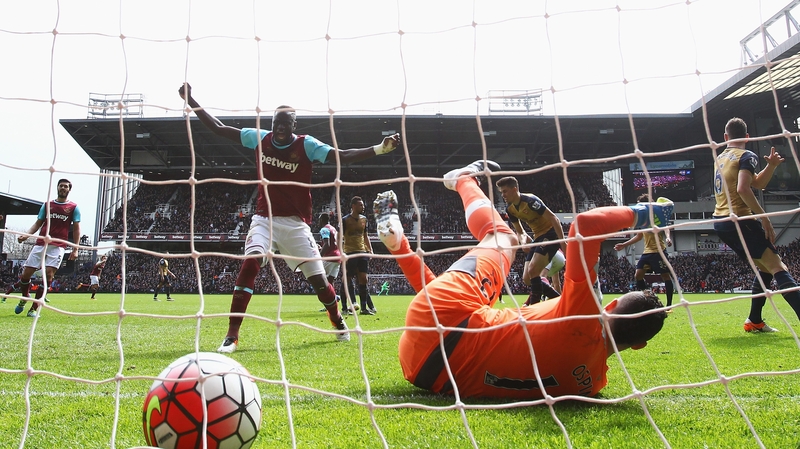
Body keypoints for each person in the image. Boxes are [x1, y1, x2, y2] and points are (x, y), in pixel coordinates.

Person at [372, 160, 668, 399]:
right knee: (467, 307)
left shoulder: (586, 315)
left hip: (443, 312)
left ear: (612, 304)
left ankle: (462, 179)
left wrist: (645, 214)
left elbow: (586, 224)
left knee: (504, 238)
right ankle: (401, 248)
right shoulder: (592, 386)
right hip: (424, 370)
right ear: (639, 345)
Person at [178, 83, 400, 352]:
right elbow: (219, 129)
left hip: (296, 226)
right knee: (250, 264)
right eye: (276, 123)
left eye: (285, 123)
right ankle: (232, 335)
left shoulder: (306, 145)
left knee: (319, 283)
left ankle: (336, 318)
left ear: (294, 124)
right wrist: (191, 100)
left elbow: (343, 157)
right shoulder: (260, 138)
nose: (280, 127)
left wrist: (379, 149)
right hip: (264, 220)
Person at [712, 117, 800, 332]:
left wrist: (770, 166)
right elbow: (743, 189)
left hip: (720, 222)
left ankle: (754, 320)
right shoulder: (746, 155)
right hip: (741, 221)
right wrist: (764, 217)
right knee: (778, 267)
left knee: (765, 269)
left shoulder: (721, 157)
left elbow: (757, 183)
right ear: (748, 137)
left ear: (725, 137)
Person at [13, 179, 81, 317]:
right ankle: (25, 297)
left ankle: (33, 308)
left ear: (69, 190)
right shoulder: (47, 205)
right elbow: (38, 223)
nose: (63, 188)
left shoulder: (73, 207)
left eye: (66, 186)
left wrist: (75, 249)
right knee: (26, 275)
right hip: (41, 243)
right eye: (61, 185)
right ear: (57, 188)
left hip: (58, 246)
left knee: (48, 276)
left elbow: (76, 229)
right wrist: (26, 235)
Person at [495, 176, 566, 306]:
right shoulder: (510, 209)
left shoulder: (531, 201)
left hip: (551, 233)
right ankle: (560, 301)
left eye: (505, 191)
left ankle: (533, 306)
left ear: (514, 189)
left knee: (533, 270)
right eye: (501, 192)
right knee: (527, 279)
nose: (503, 195)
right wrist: (523, 241)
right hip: (537, 237)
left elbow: (554, 219)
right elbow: (520, 232)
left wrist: (563, 243)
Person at [614, 194, 675, 309]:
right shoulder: (643, 221)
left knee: (665, 276)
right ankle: (649, 300)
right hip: (647, 252)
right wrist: (624, 244)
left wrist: (668, 237)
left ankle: (669, 305)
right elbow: (638, 236)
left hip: (659, 251)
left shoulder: (656, 216)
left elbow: (666, 227)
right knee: (638, 275)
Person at [342, 196, 376, 315]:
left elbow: (365, 236)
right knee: (347, 279)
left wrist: (370, 250)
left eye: (363, 204)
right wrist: (340, 251)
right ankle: (345, 306)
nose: (363, 207)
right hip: (350, 252)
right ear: (353, 206)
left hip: (362, 252)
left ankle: (363, 308)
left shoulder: (364, 220)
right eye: (360, 205)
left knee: (363, 279)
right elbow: (339, 235)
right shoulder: (345, 220)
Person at [318, 213, 354, 314]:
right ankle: (332, 303)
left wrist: (319, 256)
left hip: (329, 257)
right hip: (337, 258)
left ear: (322, 220)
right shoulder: (333, 228)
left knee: (321, 282)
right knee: (330, 281)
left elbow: (327, 244)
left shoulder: (324, 229)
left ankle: (331, 300)